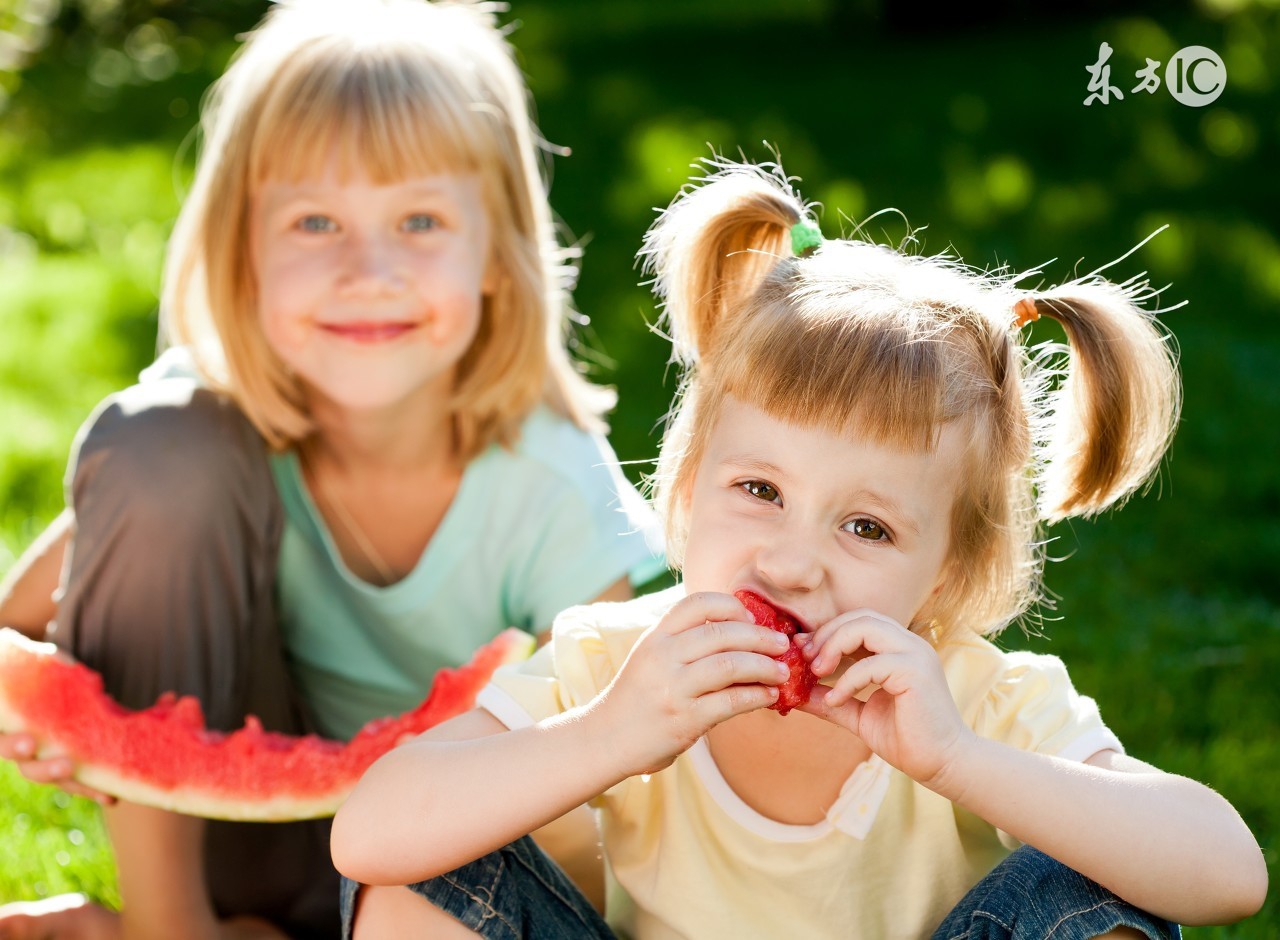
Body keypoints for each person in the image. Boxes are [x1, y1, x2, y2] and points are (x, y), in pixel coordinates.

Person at [330, 158, 1269, 940]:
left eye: (866, 528)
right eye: (760, 491)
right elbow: (367, 834)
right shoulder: (619, 666)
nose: (791, 561)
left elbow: (1228, 873)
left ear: (945, 569)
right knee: (424, 875)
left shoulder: (974, 702)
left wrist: (956, 760)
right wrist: (609, 735)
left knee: (1098, 898)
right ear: (690, 490)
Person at [0, 1, 664, 937]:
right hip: (218, 837)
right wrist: (42, 701)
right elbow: (29, 620)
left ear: (495, 255)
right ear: (244, 256)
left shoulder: (550, 488)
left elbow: (617, 774)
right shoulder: (200, 430)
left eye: (421, 219)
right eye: (316, 221)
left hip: (443, 868)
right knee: (160, 444)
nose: (370, 268)